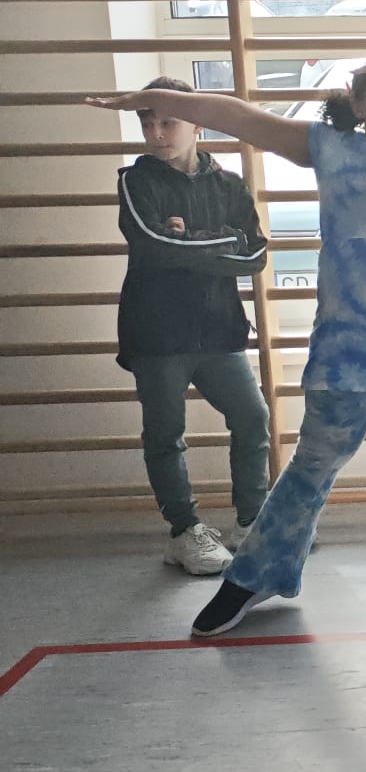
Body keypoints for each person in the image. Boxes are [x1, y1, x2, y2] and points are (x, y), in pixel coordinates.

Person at [94, 47, 366, 637]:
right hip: (346, 335)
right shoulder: (326, 145)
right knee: (316, 455)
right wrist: (157, 100)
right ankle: (257, 573)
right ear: (357, 104)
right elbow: (234, 114)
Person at [113, 76, 272, 575]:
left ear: (197, 122)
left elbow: (255, 256)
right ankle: (184, 532)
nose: (157, 133)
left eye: (168, 122)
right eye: (148, 123)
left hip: (220, 328)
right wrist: (221, 240)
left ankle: (252, 522)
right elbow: (153, 245)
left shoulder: (229, 184)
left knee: (252, 419)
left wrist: (189, 239)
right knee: (165, 434)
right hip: (156, 333)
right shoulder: (135, 181)